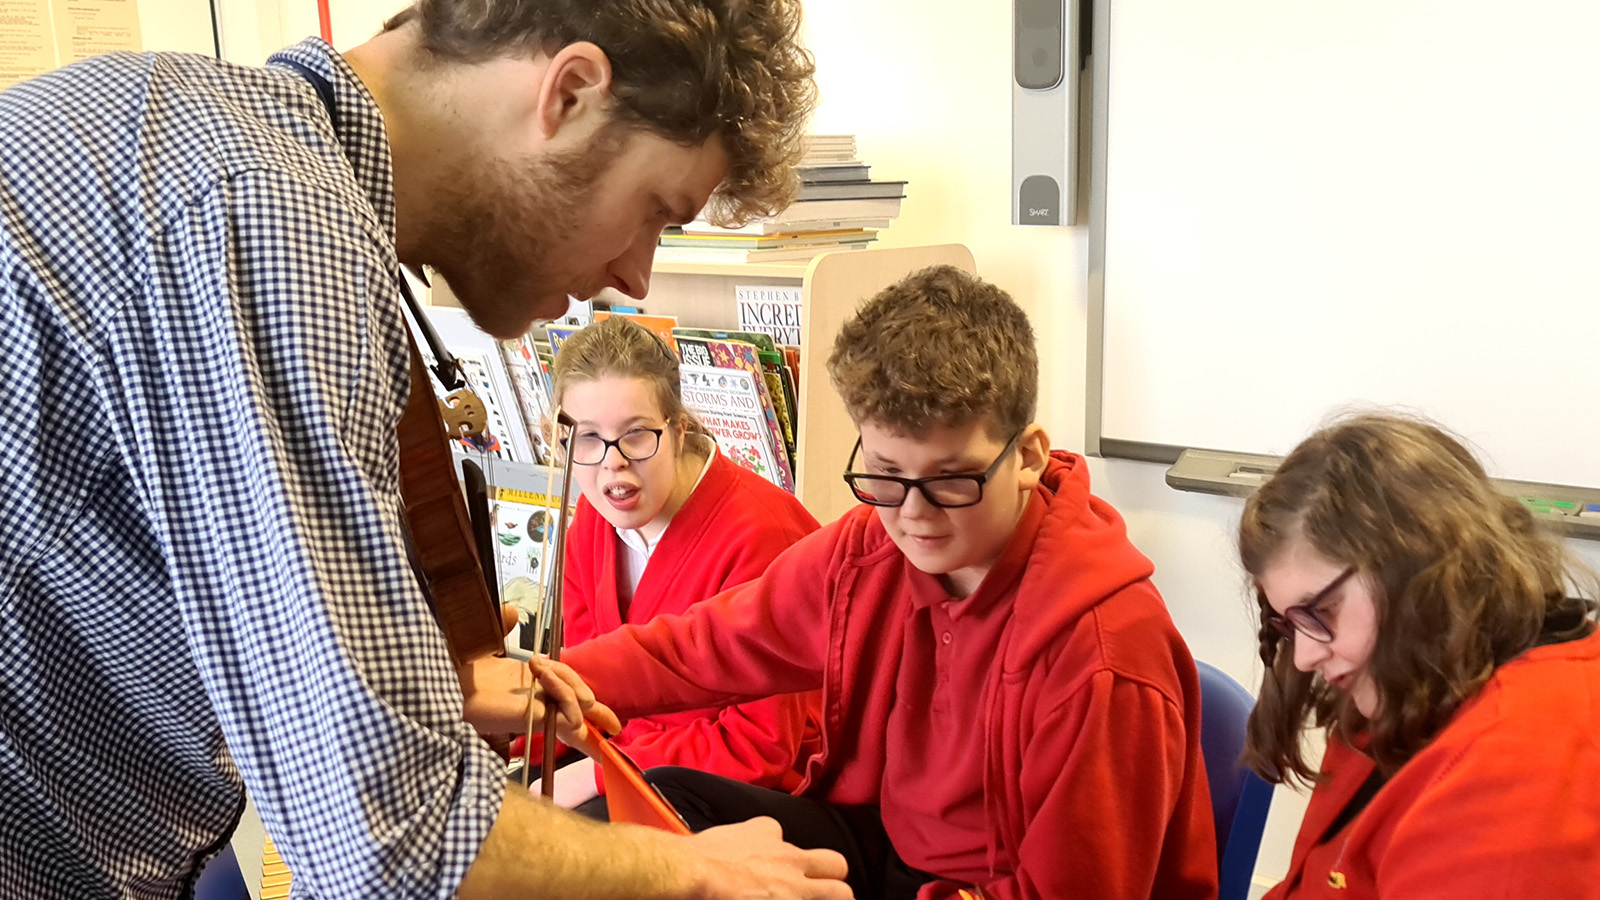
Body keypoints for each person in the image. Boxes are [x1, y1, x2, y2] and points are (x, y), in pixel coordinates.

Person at [0, 1, 852, 898]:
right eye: (653, 211)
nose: (636, 275)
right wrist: (687, 868)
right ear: (569, 93)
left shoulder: (195, 127)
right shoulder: (272, 218)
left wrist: (429, 693)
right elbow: (388, 846)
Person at [564, 265, 1219, 900]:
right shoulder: (873, 547)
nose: (912, 513)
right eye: (883, 473)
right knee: (668, 805)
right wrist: (545, 682)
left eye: (949, 479)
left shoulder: (1103, 656)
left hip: (989, 889)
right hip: (889, 850)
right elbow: (703, 646)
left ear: (1027, 457)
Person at [1238, 414, 1600, 899]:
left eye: (1323, 610)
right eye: (1291, 623)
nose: (1303, 656)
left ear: (1419, 569)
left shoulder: (1519, 769)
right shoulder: (1410, 682)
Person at [518, 315, 820, 812]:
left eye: (636, 435)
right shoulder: (595, 517)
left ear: (678, 430)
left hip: (748, 789)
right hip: (629, 757)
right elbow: (589, 695)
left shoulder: (763, 535)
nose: (612, 462)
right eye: (587, 438)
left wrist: (596, 774)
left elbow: (760, 747)